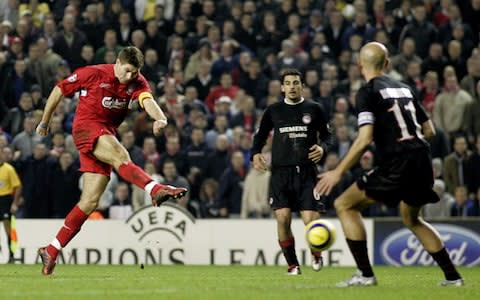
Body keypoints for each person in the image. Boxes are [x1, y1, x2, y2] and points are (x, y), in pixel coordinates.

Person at [314, 42, 464, 287]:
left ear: (360, 64)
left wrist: (337, 172)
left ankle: (364, 274)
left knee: (344, 204)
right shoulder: (406, 88)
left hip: (398, 163)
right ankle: (453, 277)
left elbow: (364, 139)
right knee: (413, 220)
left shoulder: (366, 92)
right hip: (423, 160)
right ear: (387, 64)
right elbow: (430, 131)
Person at [35, 46, 187, 275]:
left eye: (134, 73)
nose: (130, 77)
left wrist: (161, 118)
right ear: (117, 63)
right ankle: (154, 188)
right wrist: (45, 122)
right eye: (127, 71)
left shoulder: (137, 81)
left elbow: (147, 100)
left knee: (89, 202)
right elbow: (59, 89)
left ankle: (52, 249)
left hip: (105, 133)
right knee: (121, 156)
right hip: (86, 127)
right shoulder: (94, 73)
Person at [251, 68, 332, 275]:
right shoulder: (273, 110)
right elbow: (260, 136)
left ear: (302, 86)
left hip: (306, 172)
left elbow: (327, 136)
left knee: (309, 221)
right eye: (288, 83)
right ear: (282, 88)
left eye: (296, 83)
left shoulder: (314, 109)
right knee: (283, 218)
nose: (292, 87)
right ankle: (293, 265)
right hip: (280, 173)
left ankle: (316, 254)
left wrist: (323, 148)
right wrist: (255, 153)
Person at [0, 146, 22, 263]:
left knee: (7, 228)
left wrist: (14, 203)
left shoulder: (9, 169)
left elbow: (17, 186)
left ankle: (11, 255)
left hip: (4, 200)